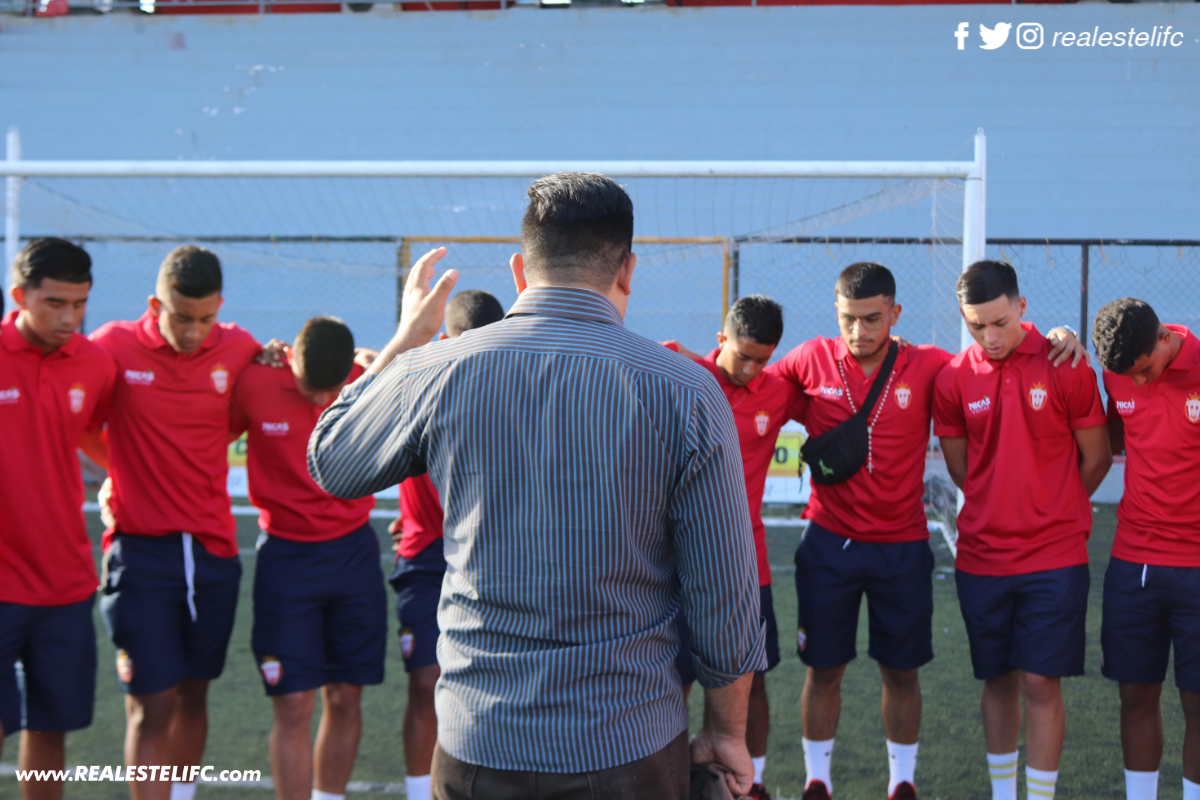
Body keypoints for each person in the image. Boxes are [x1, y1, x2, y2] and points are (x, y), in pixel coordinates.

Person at [308, 172, 766, 800]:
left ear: (520, 271)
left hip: (479, 740)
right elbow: (724, 589)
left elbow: (333, 461)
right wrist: (726, 731)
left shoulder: (438, 369)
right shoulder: (685, 389)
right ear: (627, 270)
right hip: (627, 743)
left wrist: (406, 340)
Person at [761, 262, 1088, 800]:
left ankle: (902, 782)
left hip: (902, 545)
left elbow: (993, 351)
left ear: (895, 314)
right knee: (823, 669)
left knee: (902, 671)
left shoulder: (935, 366)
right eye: (848, 319)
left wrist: (1060, 335)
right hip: (828, 541)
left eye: (872, 319)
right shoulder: (808, 358)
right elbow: (751, 384)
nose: (859, 332)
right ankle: (816, 779)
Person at [86, 245, 263, 800]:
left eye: (206, 318)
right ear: (154, 304)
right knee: (151, 703)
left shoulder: (240, 349)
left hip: (213, 552)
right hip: (141, 553)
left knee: (194, 693)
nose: (194, 331)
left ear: (221, 308)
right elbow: (77, 419)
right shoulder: (111, 346)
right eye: (181, 317)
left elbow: (259, 406)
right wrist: (117, 468)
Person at [934, 260, 1111, 800]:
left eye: (1000, 322)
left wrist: (1049, 507)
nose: (989, 336)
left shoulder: (1068, 364)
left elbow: (1097, 458)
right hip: (982, 557)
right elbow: (964, 470)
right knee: (998, 680)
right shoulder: (952, 379)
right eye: (976, 326)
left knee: (1039, 681)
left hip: (1055, 557)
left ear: (1022, 307)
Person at [229, 316, 385, 800]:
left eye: (330, 391)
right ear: (289, 359)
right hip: (286, 559)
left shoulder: (367, 381)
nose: (321, 403)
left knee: (345, 697)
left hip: (354, 555)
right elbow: (199, 439)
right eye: (309, 388)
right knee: (292, 704)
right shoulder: (256, 379)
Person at [663, 294, 806, 800]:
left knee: (752, 682)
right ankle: (669, 782)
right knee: (670, 684)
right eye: (741, 355)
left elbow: (834, 381)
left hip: (747, 567)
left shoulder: (779, 391)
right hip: (677, 567)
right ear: (721, 339)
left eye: (762, 359)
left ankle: (754, 784)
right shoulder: (679, 374)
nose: (749, 368)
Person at [0, 239, 115, 800]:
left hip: (64, 582)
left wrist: (119, 474)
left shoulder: (94, 362)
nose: (69, 318)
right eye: (54, 304)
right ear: (19, 296)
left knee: (50, 729)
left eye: (79, 303)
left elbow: (102, 430)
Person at [386, 289, 505, 800]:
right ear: (443, 342)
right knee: (425, 682)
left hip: (490, 557)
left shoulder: (513, 388)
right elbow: (354, 372)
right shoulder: (412, 381)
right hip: (425, 556)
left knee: (492, 691)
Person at [1092, 298, 1200, 800]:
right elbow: (1109, 438)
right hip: (1133, 560)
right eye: (1127, 376)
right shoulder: (1119, 373)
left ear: (1165, 340)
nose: (1136, 383)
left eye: (1146, 371)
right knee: (1135, 695)